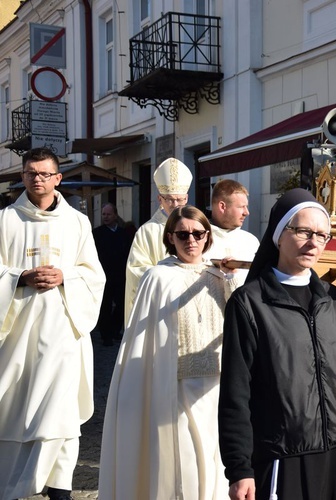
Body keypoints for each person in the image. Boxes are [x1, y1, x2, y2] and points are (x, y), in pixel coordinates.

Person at [218, 188, 336, 500]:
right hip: (284, 455)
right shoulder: (250, 303)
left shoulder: (330, 299)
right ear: (279, 235)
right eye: (304, 231)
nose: (313, 242)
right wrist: (239, 470)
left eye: (322, 235)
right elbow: (235, 393)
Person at [99, 205, 239, 499]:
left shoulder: (220, 275)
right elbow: (146, 337)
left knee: (216, 460)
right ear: (170, 237)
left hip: (217, 386)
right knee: (183, 465)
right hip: (174, 385)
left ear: (207, 236)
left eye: (198, 233)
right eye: (183, 234)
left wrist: (231, 279)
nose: (191, 240)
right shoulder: (158, 277)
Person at [0, 147, 106, 500]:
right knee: (16, 410)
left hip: (64, 332)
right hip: (18, 336)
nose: (38, 179)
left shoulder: (76, 222)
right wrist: (19, 277)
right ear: (22, 176)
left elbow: (94, 275)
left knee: (60, 411)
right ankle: (13, 486)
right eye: (31, 173)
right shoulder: (6, 221)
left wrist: (65, 276)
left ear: (58, 178)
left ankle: (60, 489)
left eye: (45, 173)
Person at [124, 157, 192, 323]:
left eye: (180, 199)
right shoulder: (148, 231)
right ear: (160, 199)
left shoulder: (196, 228)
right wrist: (171, 278)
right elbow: (136, 272)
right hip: (160, 308)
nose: (175, 204)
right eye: (169, 199)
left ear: (187, 198)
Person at [205, 179, 260, 282]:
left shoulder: (251, 241)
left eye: (246, 207)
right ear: (222, 206)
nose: (246, 212)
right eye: (241, 207)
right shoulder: (199, 240)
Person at [93, 202, 130, 346]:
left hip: (120, 275)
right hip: (103, 275)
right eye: (103, 214)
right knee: (105, 306)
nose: (106, 217)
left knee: (121, 305)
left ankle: (115, 330)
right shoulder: (97, 233)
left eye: (108, 214)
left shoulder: (123, 233)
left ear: (115, 215)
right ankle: (106, 335)